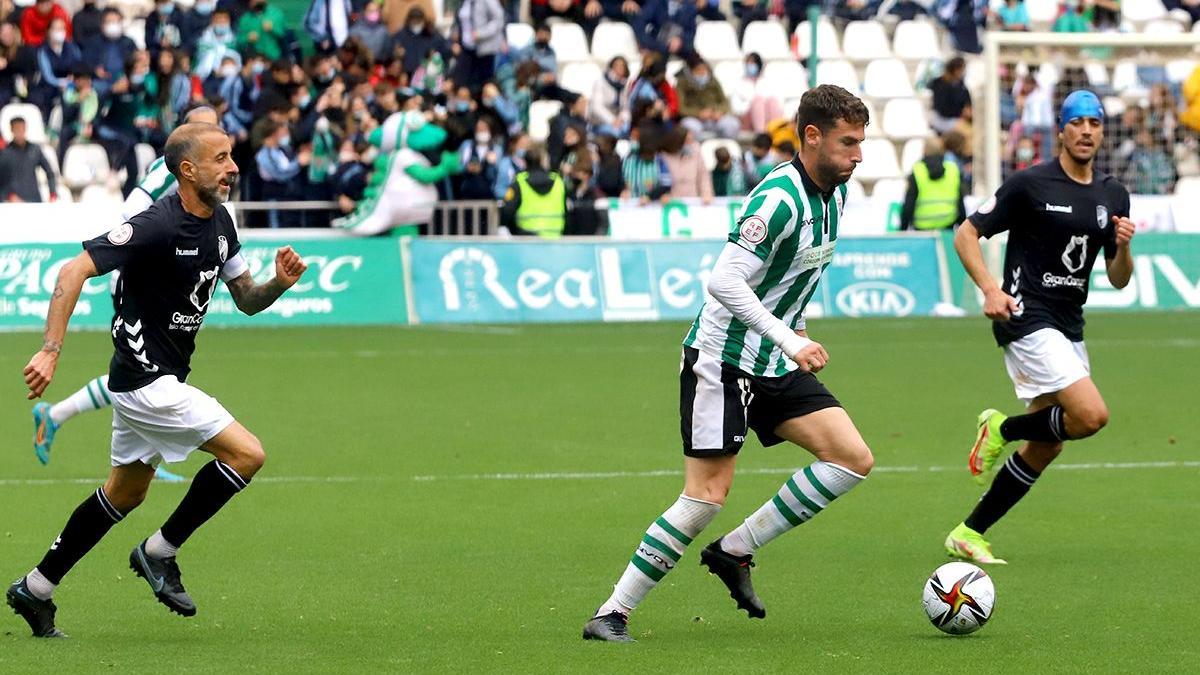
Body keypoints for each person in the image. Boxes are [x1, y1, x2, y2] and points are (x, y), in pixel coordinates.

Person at [583, 85, 873, 642]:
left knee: (852, 458)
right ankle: (611, 613)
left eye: (861, 143)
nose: (858, 155)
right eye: (848, 143)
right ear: (810, 137)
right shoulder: (778, 198)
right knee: (706, 495)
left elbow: (794, 279)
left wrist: (798, 335)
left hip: (774, 358)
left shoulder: (834, 196)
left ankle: (736, 550)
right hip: (722, 360)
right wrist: (791, 341)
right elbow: (723, 281)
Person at [9, 120, 308, 639]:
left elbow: (246, 299)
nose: (233, 167)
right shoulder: (156, 225)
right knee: (247, 455)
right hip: (147, 381)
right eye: (221, 159)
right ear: (188, 170)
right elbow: (72, 270)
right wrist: (50, 351)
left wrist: (277, 285)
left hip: (152, 382)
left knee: (124, 494)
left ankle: (35, 588)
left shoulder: (221, 222)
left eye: (232, 156)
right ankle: (159, 552)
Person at [942, 90, 1136, 565]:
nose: (1087, 130)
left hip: (1069, 323)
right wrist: (989, 288)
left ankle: (969, 532)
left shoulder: (1113, 194)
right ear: (1061, 130)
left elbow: (1117, 277)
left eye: (1094, 122)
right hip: (1026, 315)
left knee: (1047, 443)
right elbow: (966, 233)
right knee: (1091, 416)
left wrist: (1125, 247)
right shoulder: (1029, 185)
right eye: (1077, 122)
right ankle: (1002, 427)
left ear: (1101, 131)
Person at [31, 106, 223, 485]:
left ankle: (65, 420)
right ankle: (137, 458)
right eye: (209, 129)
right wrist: (152, 253)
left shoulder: (208, 175)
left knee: (153, 366)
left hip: (163, 274)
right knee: (146, 363)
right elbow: (133, 210)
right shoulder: (169, 169)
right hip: (138, 272)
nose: (218, 138)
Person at [900, 135, 965, 231]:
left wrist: (902, 230)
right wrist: (962, 227)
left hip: (922, 229)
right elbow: (960, 203)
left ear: (924, 151)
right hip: (947, 227)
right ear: (943, 151)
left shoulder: (917, 171)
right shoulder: (953, 170)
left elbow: (909, 205)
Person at [499, 146, 567, 238]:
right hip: (555, 238)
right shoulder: (559, 181)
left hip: (527, 239)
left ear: (525, 162)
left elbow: (507, 210)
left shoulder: (519, 181)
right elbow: (567, 211)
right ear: (543, 161)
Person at [0, 117, 57, 203]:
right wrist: (8, 196)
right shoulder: (4, 154)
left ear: (25, 128)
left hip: (34, 200)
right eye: (17, 128)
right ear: (11, 130)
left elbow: (50, 172)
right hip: (13, 203)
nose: (20, 131)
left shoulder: (35, 149)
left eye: (22, 128)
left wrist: (52, 193)